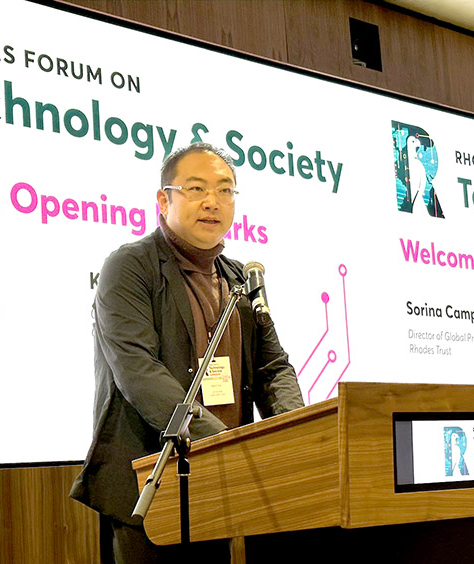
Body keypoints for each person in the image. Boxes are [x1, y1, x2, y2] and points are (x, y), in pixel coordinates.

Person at [70, 143, 305, 563]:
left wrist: (294, 434)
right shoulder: (130, 267)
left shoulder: (239, 278)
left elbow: (273, 368)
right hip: (150, 480)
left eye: (225, 190)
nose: (213, 201)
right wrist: (224, 442)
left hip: (219, 482)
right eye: (196, 189)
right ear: (164, 201)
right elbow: (140, 372)